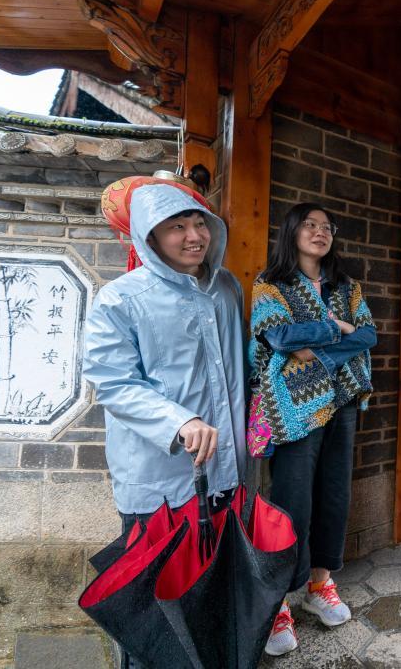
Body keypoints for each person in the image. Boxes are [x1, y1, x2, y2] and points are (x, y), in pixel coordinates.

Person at [83, 182, 248, 667]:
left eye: (199, 223)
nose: (193, 236)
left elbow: (236, 370)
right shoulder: (120, 299)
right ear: (148, 237)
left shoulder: (226, 288)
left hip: (223, 472)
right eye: (176, 227)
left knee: (210, 593)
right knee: (154, 608)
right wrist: (181, 420)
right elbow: (113, 382)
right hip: (159, 481)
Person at [248, 203, 376, 656]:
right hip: (295, 408)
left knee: (335, 494)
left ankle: (320, 584)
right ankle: (279, 601)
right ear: (292, 232)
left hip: (342, 402)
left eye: (326, 227)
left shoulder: (347, 287)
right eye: (310, 225)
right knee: (292, 500)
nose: (320, 232)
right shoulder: (271, 285)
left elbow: (368, 335)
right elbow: (279, 338)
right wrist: (335, 328)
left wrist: (316, 347)